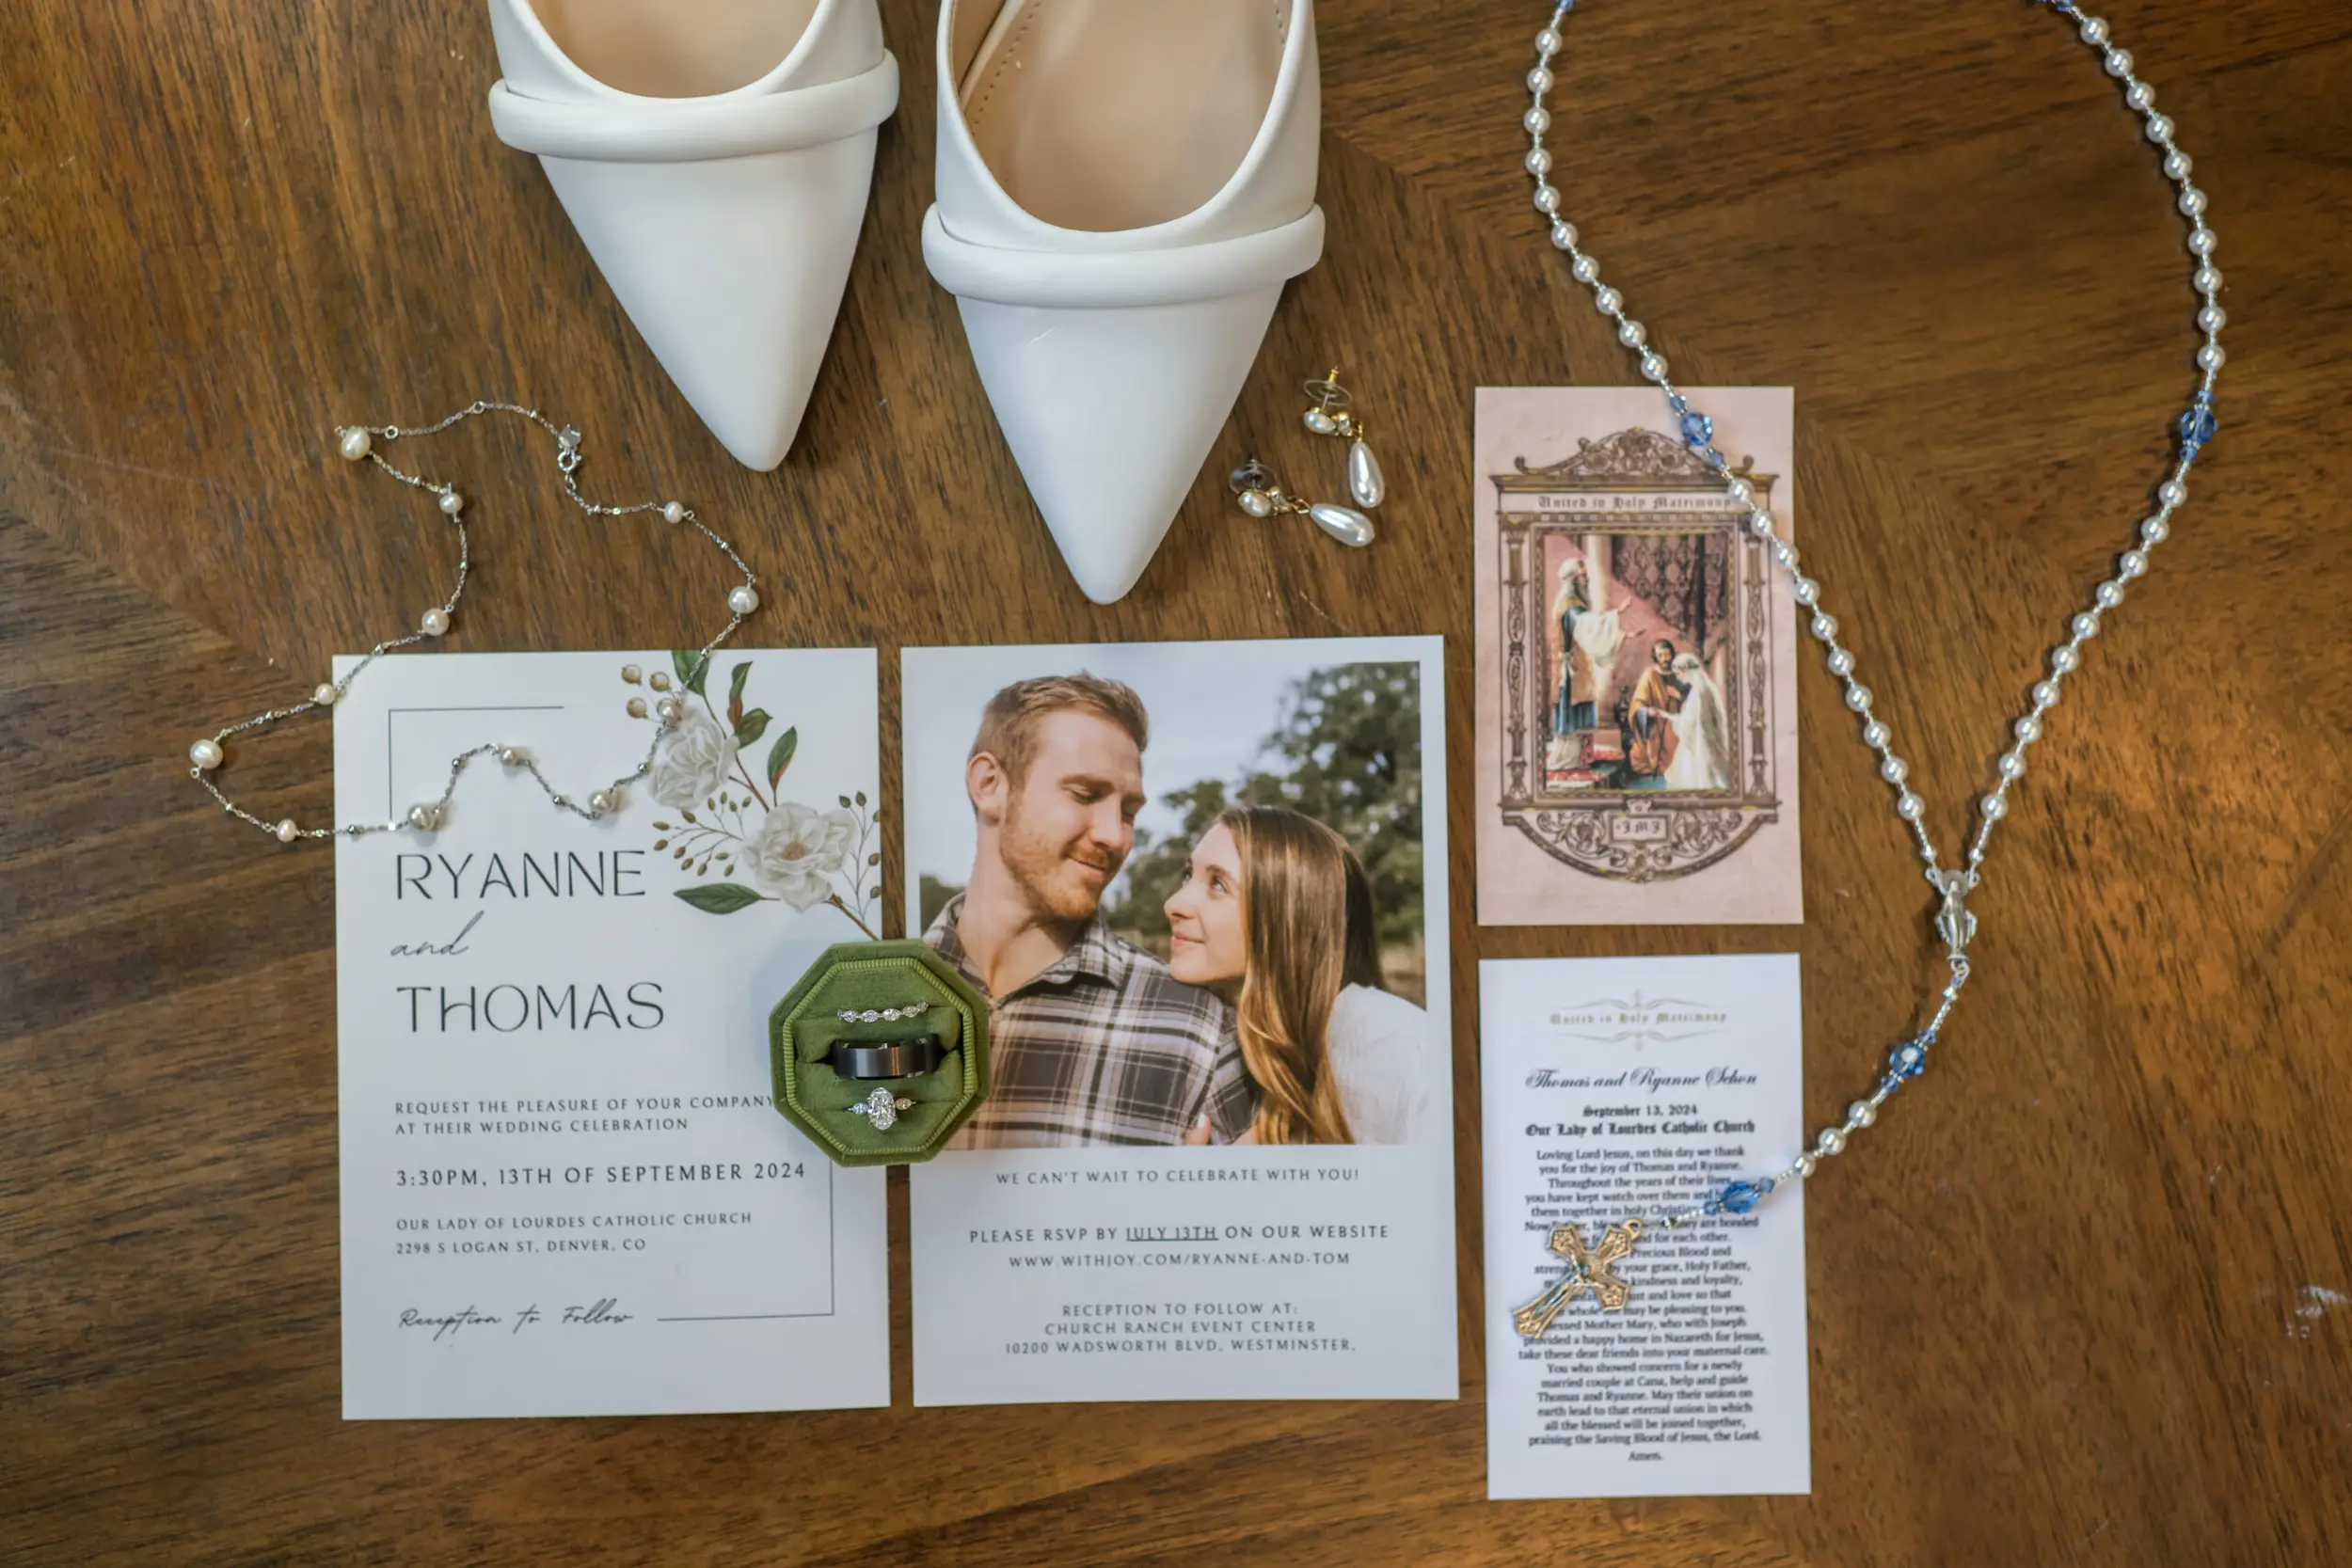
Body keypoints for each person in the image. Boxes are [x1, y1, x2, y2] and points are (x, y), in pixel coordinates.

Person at [925, 674, 1252, 1147]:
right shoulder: (875, 1000)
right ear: (990, 784)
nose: (1115, 836)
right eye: (1085, 794)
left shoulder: (1199, 1032)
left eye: (1129, 812)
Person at [1165, 806, 1430, 1145]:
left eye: (1218, 884)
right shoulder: (1221, 1043)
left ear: (1289, 917)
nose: (1173, 903)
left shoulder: (1399, 1049)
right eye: (1189, 876)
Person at [1663, 651, 1731, 790]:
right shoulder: (1705, 687)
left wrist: (1667, 716)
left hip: (1700, 743)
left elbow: (1688, 724)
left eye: (1678, 674)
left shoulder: (1698, 692)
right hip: (1706, 738)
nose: (1677, 678)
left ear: (1685, 670)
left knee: (1697, 778)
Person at [1625, 638, 1689, 778]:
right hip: (1656, 723)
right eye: (1660, 655)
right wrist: (1647, 711)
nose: (1665, 659)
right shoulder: (1650, 674)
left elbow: (1692, 699)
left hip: (1677, 722)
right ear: (1655, 657)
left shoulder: (1680, 673)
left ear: (1672, 654)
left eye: (1667, 654)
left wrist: (1679, 696)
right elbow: (1637, 703)